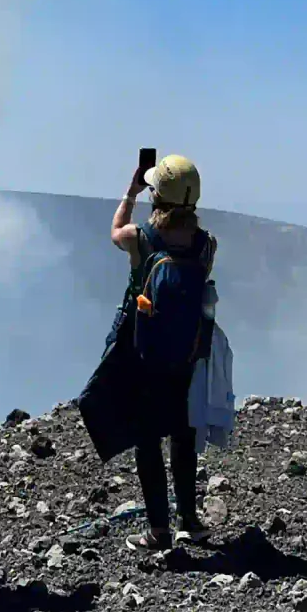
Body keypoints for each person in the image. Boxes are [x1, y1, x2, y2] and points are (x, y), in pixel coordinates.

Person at [110, 152, 216, 547]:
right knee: (182, 433)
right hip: (188, 355)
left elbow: (115, 229)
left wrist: (130, 192)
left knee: (147, 437)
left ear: (157, 195)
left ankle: (158, 530)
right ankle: (189, 519)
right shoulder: (206, 245)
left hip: (146, 354)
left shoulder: (142, 239)